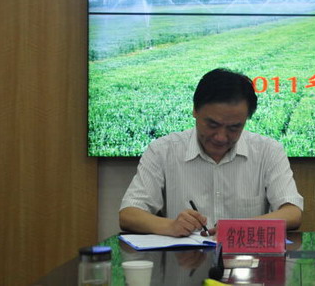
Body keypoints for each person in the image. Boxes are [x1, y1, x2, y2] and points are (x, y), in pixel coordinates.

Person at [119, 68, 303, 237]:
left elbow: (292, 212)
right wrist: (171, 226)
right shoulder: (162, 150)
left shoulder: (268, 151)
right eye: (212, 125)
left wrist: (238, 228)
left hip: (245, 259)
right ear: (195, 110)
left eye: (234, 127)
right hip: (183, 260)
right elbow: (129, 214)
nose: (221, 137)